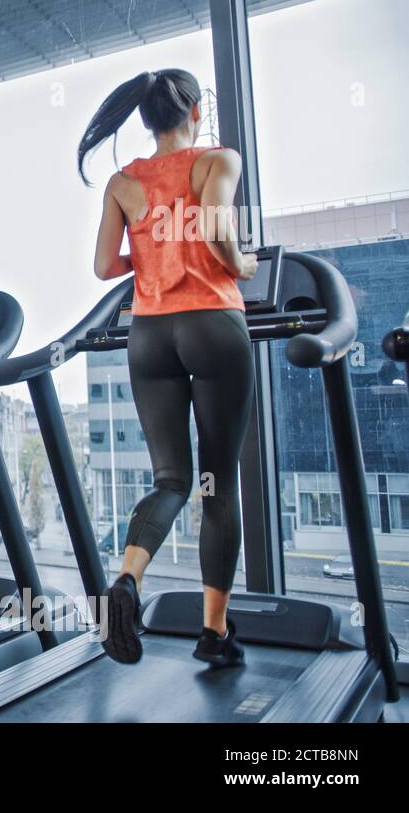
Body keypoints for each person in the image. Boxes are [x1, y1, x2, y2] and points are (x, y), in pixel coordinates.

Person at [78, 69, 258, 667]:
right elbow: (213, 230)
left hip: (149, 335)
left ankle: (128, 579)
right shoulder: (217, 160)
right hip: (212, 323)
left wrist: (152, 247)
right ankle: (215, 633)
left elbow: (106, 266)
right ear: (195, 113)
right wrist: (246, 265)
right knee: (217, 484)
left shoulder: (123, 182)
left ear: (148, 120)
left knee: (172, 480)